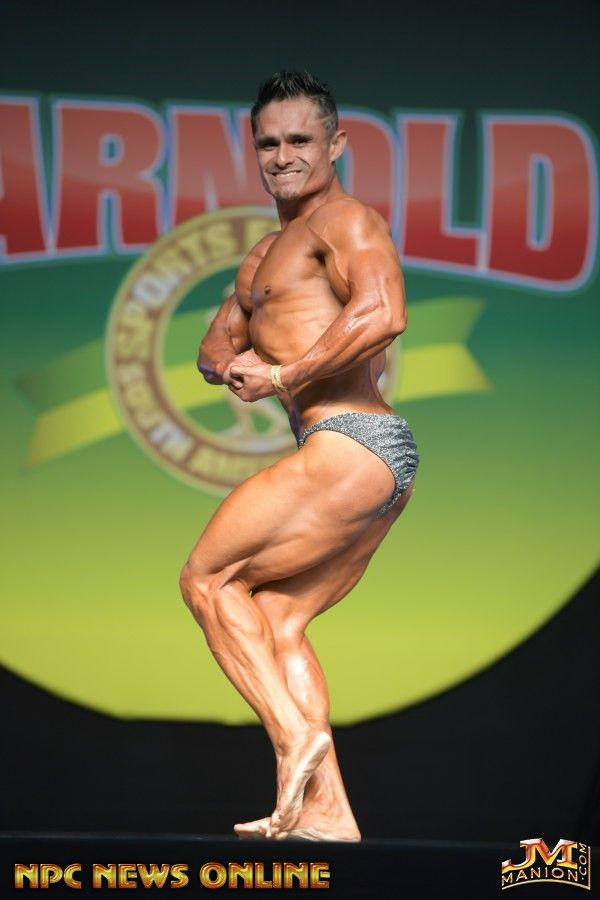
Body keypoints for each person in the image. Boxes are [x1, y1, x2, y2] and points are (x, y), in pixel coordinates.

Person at [179, 71, 420, 841]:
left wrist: (283, 374)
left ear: (336, 144)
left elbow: (384, 311)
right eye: (268, 143)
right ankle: (328, 814)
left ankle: (292, 738)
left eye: (299, 140)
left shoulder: (345, 221)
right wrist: (235, 352)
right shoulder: (266, 256)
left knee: (207, 579)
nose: (282, 155)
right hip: (372, 459)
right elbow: (214, 350)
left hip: (351, 441)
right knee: (276, 620)